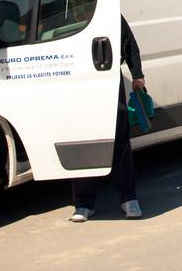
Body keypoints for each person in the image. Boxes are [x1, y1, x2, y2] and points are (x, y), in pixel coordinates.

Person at [69, 13, 146, 222]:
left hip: (110, 78)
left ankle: (129, 198)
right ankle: (84, 203)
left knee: (120, 141)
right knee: (84, 141)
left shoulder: (109, 9)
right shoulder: (69, 12)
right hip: (79, 81)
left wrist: (137, 74)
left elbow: (129, 43)